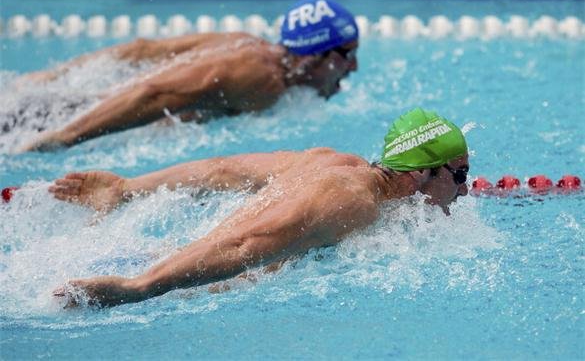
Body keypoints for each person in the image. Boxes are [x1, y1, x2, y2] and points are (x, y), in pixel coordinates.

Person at [49, 108, 470, 308]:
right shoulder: (353, 202)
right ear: (420, 174)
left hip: (161, 258)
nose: (465, 192)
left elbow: (222, 170)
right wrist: (137, 287)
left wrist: (127, 188)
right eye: (460, 176)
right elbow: (245, 245)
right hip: (188, 284)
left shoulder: (330, 160)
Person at [19, 0, 359, 152]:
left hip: (56, 102)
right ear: (317, 55)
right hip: (54, 116)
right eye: (348, 54)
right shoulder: (262, 80)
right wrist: (64, 137)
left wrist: (42, 80)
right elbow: (155, 92)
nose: (353, 67)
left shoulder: (243, 43)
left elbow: (140, 50)